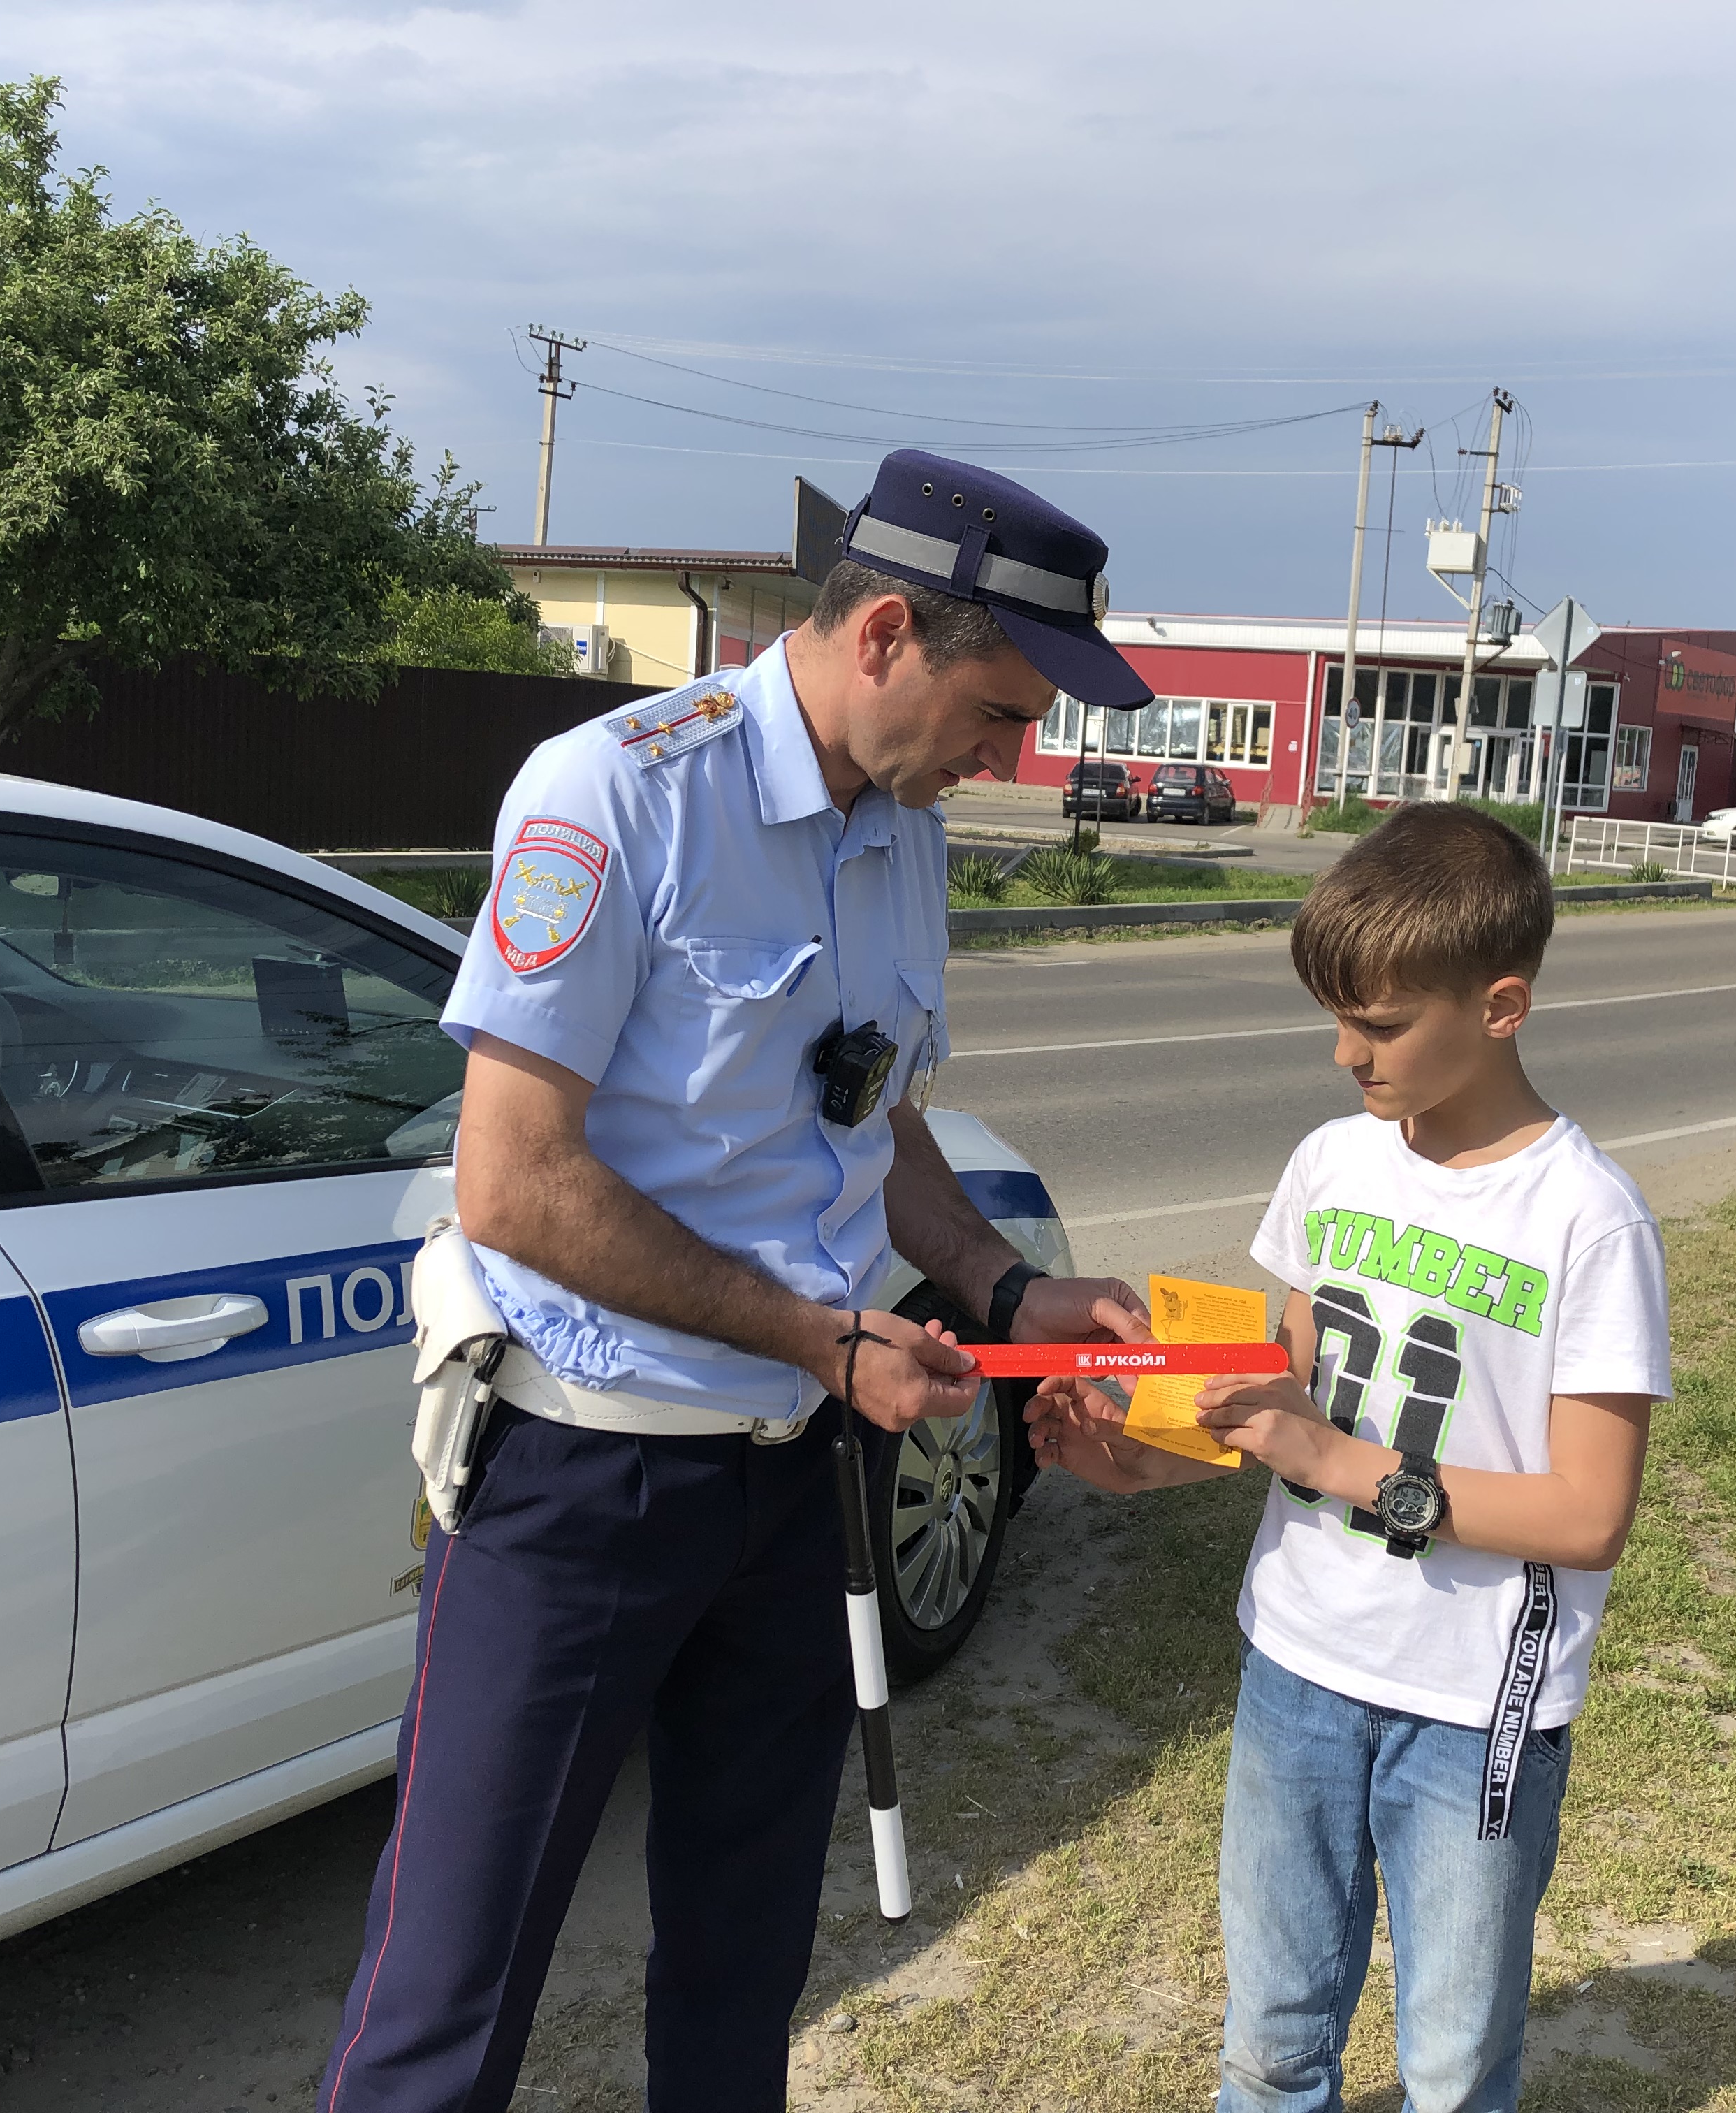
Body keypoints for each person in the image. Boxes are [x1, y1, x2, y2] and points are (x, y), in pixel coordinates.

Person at [318, 449, 1153, 2113]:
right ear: (890, 633)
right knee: (453, 1986)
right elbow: (518, 1179)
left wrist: (992, 1288)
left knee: (744, 1958)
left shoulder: (902, 822)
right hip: (588, 1470)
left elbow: (872, 1109)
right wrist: (812, 1332)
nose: (1019, 756)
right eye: (1004, 709)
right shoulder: (618, 792)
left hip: (802, 1479)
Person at [1027, 804, 1670, 2113]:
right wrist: (1145, 1460)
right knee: (1269, 2040)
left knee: (1449, 2065)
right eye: (1336, 1018)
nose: (1345, 1054)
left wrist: (1334, 1461)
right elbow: (1295, 1410)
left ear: (1501, 1006)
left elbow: (1587, 1515)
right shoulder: (1332, 1165)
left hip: (1473, 1704)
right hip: (1298, 1665)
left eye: (1379, 1026)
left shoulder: (1588, 1221)